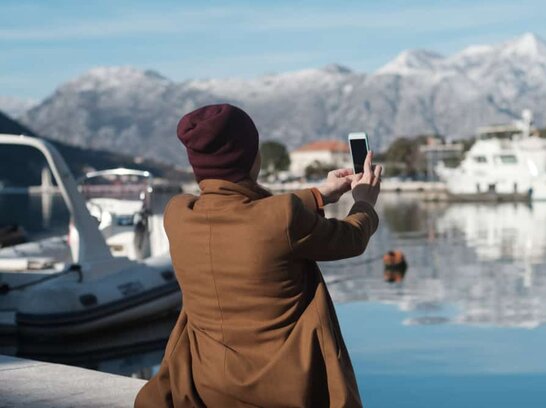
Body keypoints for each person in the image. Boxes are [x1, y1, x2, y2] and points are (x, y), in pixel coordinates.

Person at [134, 104, 382, 408]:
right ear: (253, 158)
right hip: (286, 391)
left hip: (205, 384)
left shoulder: (178, 214)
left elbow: (254, 211)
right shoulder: (282, 218)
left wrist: (322, 194)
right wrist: (365, 203)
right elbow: (352, 238)